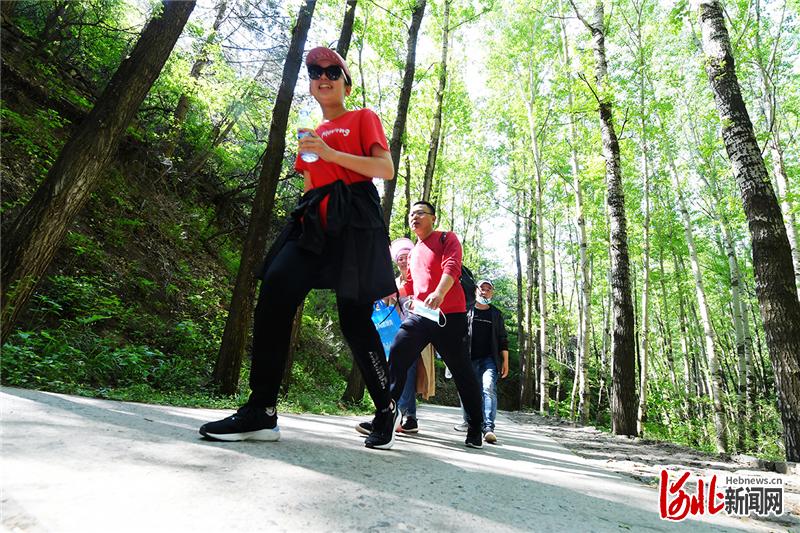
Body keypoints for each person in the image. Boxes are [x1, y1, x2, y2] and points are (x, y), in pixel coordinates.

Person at [200, 46, 402, 450]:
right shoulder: (309, 134)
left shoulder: (363, 118)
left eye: (332, 71)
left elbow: (384, 169)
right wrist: (312, 183)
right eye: (315, 72)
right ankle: (262, 410)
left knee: (354, 318)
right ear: (310, 84)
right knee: (275, 287)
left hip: (356, 218)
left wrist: (331, 153)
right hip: (314, 218)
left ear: (346, 84)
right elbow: (310, 182)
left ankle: (385, 408)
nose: (323, 76)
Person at [379, 200, 485, 449]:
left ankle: (475, 427)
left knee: (462, 371)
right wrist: (390, 292)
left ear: (433, 218)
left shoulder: (447, 238)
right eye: (411, 214)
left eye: (420, 213)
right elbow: (411, 285)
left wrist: (439, 292)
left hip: (450, 316)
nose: (414, 217)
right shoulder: (414, 252)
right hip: (420, 316)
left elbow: (452, 267)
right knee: (398, 352)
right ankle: (385, 416)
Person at [356, 238, 435, 436]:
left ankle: (397, 415)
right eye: (400, 258)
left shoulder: (421, 279)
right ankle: (407, 417)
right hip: (396, 334)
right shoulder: (394, 283)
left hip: (419, 333)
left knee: (405, 371)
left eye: (407, 257)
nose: (404, 261)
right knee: (400, 372)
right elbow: (384, 305)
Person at [454, 280, 509, 444]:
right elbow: (457, 335)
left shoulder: (496, 314)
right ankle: (469, 422)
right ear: (476, 291)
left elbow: (503, 339)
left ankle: (488, 428)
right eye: (482, 288)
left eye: (488, 289)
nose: (484, 292)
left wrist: (505, 361)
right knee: (467, 390)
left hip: (489, 360)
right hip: (468, 359)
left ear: (492, 292)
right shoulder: (467, 311)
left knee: (488, 387)